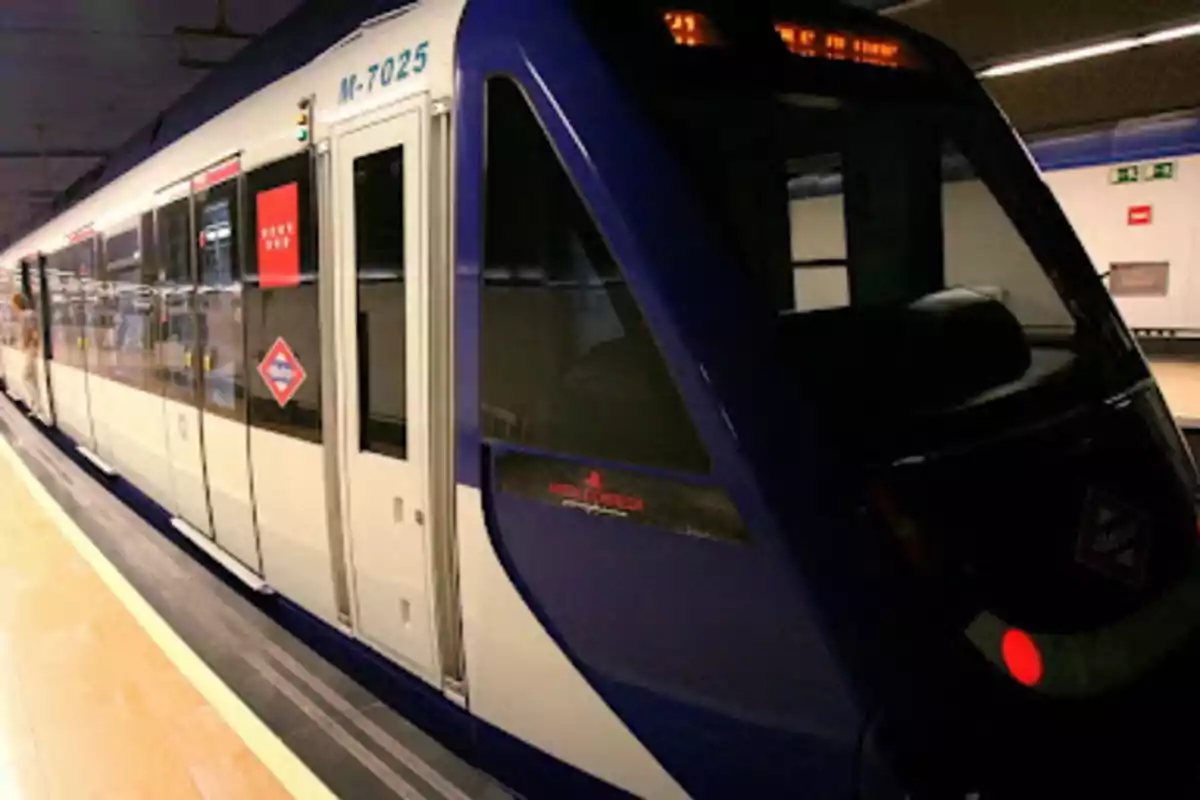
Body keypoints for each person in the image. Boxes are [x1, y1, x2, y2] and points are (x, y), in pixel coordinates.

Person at [12, 293, 40, 415]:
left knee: (26, 377)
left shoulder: (25, 316)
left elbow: (29, 332)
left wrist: (26, 344)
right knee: (33, 378)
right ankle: (37, 406)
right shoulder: (31, 314)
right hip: (33, 349)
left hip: (31, 349)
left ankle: (36, 403)